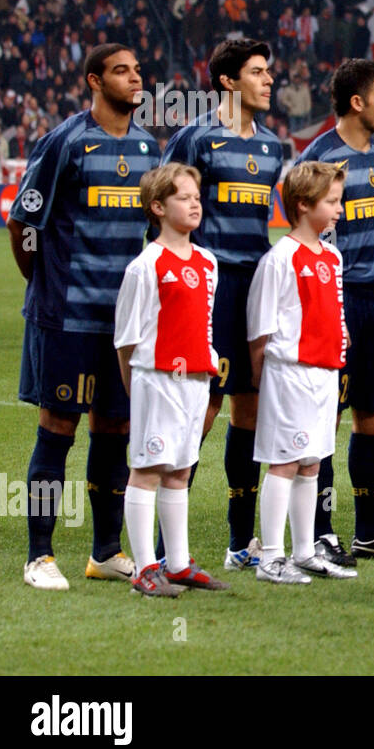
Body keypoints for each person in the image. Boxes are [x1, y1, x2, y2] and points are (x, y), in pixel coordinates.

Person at [9, 43, 160, 591]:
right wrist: (44, 285)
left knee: (115, 430)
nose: (135, 78)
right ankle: (39, 556)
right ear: (95, 81)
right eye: (122, 71)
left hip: (122, 324)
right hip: (67, 316)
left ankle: (104, 552)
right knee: (58, 430)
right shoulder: (65, 142)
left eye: (138, 70)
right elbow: (21, 222)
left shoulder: (148, 149)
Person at [161, 37, 282, 570]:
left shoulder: (274, 145)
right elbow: (161, 207)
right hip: (209, 288)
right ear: (229, 81)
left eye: (268, 72)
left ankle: (239, 545)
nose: (268, 80)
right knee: (200, 409)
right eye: (258, 72)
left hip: (258, 286)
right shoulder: (196, 139)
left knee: (250, 408)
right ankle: (165, 548)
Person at [299, 59, 374, 561]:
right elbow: (310, 241)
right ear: (357, 102)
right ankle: (320, 531)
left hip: (373, 305)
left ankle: (368, 530)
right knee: (326, 420)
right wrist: (326, 308)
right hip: (335, 304)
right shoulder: (320, 158)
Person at [114, 163, 227, 596]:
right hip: (156, 379)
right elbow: (126, 339)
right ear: (157, 207)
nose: (195, 202)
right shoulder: (146, 266)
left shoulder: (207, 261)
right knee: (146, 469)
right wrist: (135, 388)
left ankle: (177, 563)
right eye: (184, 196)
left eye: (197, 195)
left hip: (196, 380)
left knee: (180, 471)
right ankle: (144, 569)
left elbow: (206, 324)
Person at [247, 161, 358, 583]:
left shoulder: (332, 255)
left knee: (311, 463)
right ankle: (271, 557)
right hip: (289, 373)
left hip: (324, 373)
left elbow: (335, 312)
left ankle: (305, 551)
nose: (339, 210)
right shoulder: (280, 258)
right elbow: (260, 330)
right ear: (303, 204)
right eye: (331, 202)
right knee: (284, 462)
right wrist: (264, 383)